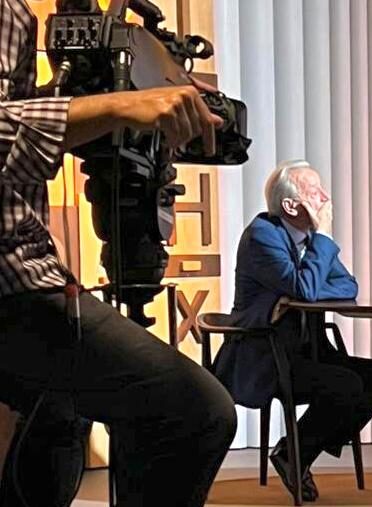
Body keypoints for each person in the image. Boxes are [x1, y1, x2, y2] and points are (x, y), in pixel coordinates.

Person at [0, 0, 238, 506]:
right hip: (12, 283)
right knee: (193, 413)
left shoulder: (16, 13)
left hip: (26, 274)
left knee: (59, 416)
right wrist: (118, 106)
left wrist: (146, 90)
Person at [214, 159, 372, 501]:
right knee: (345, 385)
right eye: (315, 192)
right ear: (289, 205)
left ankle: (295, 453)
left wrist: (297, 291)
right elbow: (306, 288)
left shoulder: (310, 240)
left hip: (308, 350)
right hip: (267, 356)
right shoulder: (262, 235)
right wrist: (318, 249)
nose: (325, 198)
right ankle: (297, 454)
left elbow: (348, 286)